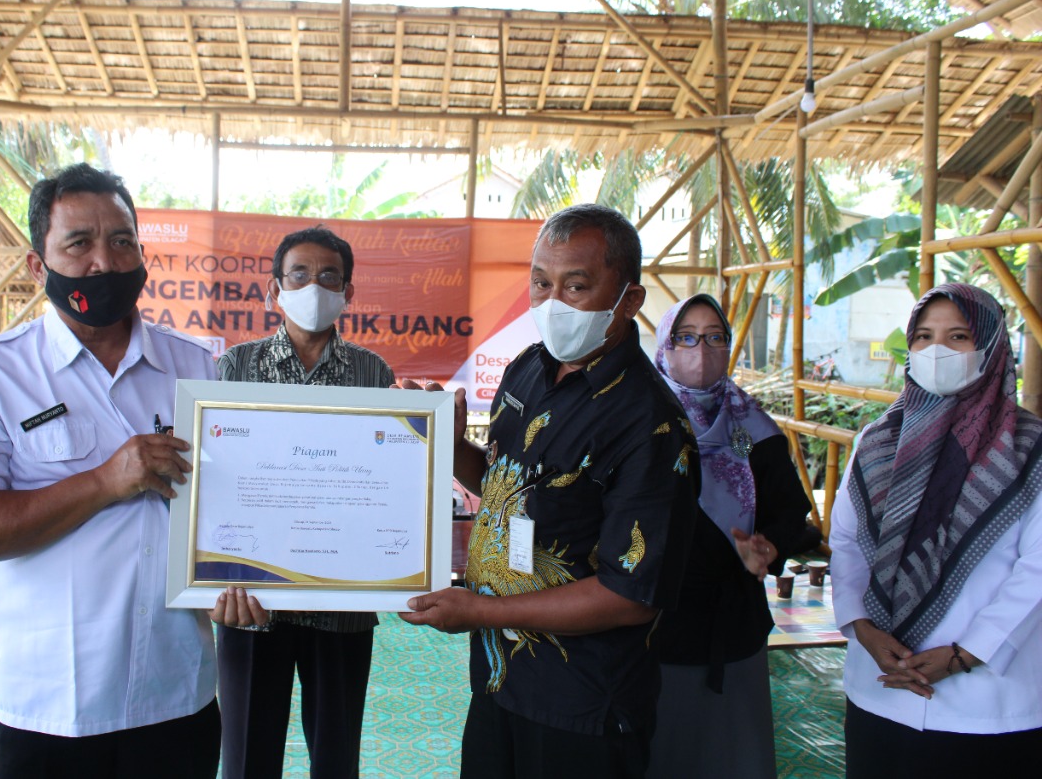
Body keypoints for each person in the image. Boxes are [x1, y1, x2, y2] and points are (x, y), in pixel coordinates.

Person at [0, 163, 221, 778]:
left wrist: (248, 580)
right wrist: (107, 480)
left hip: (176, 698)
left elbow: (238, 513)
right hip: (48, 710)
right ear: (40, 266)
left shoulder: (198, 369)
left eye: (121, 241)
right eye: (78, 243)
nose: (104, 263)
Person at [400, 204, 699, 778]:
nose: (552, 302)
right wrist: (449, 445)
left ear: (629, 299)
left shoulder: (651, 425)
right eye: (541, 282)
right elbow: (506, 485)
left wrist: (483, 611)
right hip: (500, 677)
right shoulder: (528, 370)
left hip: (583, 701)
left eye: (576, 286)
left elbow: (630, 596)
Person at [830, 283, 1042, 777]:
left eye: (958, 336)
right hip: (879, 690)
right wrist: (862, 627)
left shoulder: (1028, 449)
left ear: (990, 348)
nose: (936, 350)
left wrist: (966, 654)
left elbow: (1037, 570)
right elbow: (845, 542)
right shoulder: (877, 441)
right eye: (923, 337)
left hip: (987, 705)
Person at [209, 226, 395, 779]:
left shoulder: (373, 374)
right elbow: (215, 483)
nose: (314, 286)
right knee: (245, 757)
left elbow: (386, 484)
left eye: (328, 276)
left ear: (348, 293)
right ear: (273, 291)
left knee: (337, 759)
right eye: (299, 275)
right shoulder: (231, 370)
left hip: (344, 604)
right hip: (249, 602)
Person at [646, 293, 810, 779]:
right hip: (654, 625)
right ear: (666, 347)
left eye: (715, 337)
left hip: (732, 626)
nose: (702, 350)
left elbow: (793, 513)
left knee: (731, 755)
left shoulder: (756, 429)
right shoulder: (641, 422)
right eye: (688, 337)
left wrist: (771, 546)